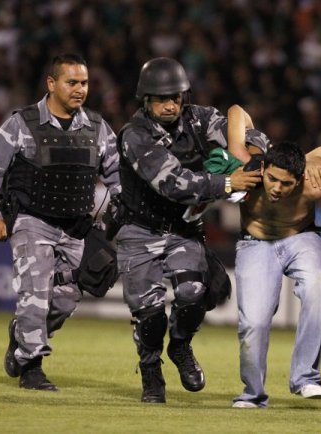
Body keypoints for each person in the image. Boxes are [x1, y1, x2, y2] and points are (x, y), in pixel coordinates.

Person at [108, 57, 264, 404]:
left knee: (194, 293)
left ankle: (180, 346)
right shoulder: (134, 135)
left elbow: (246, 132)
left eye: (175, 98)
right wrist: (228, 182)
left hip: (183, 229)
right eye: (161, 99)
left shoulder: (198, 118)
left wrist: (251, 152)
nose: (170, 105)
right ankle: (151, 370)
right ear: (145, 101)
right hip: (139, 231)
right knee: (149, 317)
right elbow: (174, 184)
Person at [0, 53, 121, 391]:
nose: (80, 89)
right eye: (72, 82)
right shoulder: (22, 124)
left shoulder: (97, 128)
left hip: (77, 228)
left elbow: (117, 179)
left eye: (84, 83)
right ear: (51, 84)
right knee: (34, 294)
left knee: (66, 298)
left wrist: (120, 218)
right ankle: (31, 367)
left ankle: (21, 335)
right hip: (32, 223)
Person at [229, 106, 321, 408]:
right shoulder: (248, 170)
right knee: (253, 322)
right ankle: (253, 395)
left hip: (300, 237)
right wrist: (235, 147)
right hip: (254, 243)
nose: (277, 188)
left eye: (286, 183)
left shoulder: (314, 185)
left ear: (301, 178)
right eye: (272, 179)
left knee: (318, 289)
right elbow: (237, 112)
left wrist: (317, 160)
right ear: (264, 168)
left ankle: (306, 377)